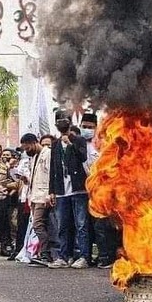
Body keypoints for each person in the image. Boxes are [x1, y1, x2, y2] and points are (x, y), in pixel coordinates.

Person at [48, 111, 90, 269]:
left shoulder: (79, 140)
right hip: (61, 191)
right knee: (63, 225)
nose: (61, 123)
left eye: (64, 120)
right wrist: (51, 190)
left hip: (78, 189)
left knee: (81, 225)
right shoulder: (55, 144)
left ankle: (84, 256)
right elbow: (53, 168)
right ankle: (65, 256)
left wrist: (71, 142)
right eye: (59, 120)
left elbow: (83, 157)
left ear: (70, 123)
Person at [19, 133, 52, 264]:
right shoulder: (34, 157)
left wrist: (50, 194)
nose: (27, 152)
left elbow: (51, 175)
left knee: (37, 224)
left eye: (27, 148)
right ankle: (42, 252)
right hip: (34, 195)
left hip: (43, 195)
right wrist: (26, 180)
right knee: (39, 225)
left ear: (33, 143)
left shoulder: (47, 154)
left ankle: (46, 253)